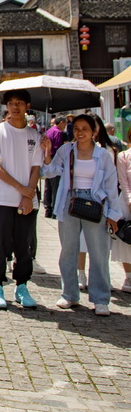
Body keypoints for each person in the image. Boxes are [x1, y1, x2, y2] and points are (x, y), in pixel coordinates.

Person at [40, 113, 120, 315]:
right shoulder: (67, 150)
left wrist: (113, 213)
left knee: (99, 252)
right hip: (70, 202)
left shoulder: (103, 155)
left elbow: (111, 186)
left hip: (95, 203)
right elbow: (50, 172)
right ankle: (69, 294)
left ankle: (100, 299)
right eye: (76, 128)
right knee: (68, 250)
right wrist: (48, 152)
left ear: (94, 131)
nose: (80, 132)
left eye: (85, 128)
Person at [0, 89, 42, 309]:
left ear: (27, 106)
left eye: (19, 103)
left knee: (24, 245)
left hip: (27, 200)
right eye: (11, 103)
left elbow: (36, 167)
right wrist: (20, 188)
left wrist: (29, 195)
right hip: (2, 197)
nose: (15, 107)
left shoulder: (35, 136)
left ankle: (22, 285)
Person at [113, 126, 131, 293]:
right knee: (127, 238)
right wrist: (130, 199)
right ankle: (128, 276)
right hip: (126, 202)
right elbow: (123, 181)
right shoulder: (123, 156)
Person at [42, 117, 68, 218]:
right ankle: (53, 208)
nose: (64, 127)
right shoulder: (58, 132)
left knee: (48, 185)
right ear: (61, 123)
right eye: (64, 125)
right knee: (55, 185)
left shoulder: (49, 130)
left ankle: (48, 207)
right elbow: (58, 147)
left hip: (47, 157)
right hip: (54, 158)